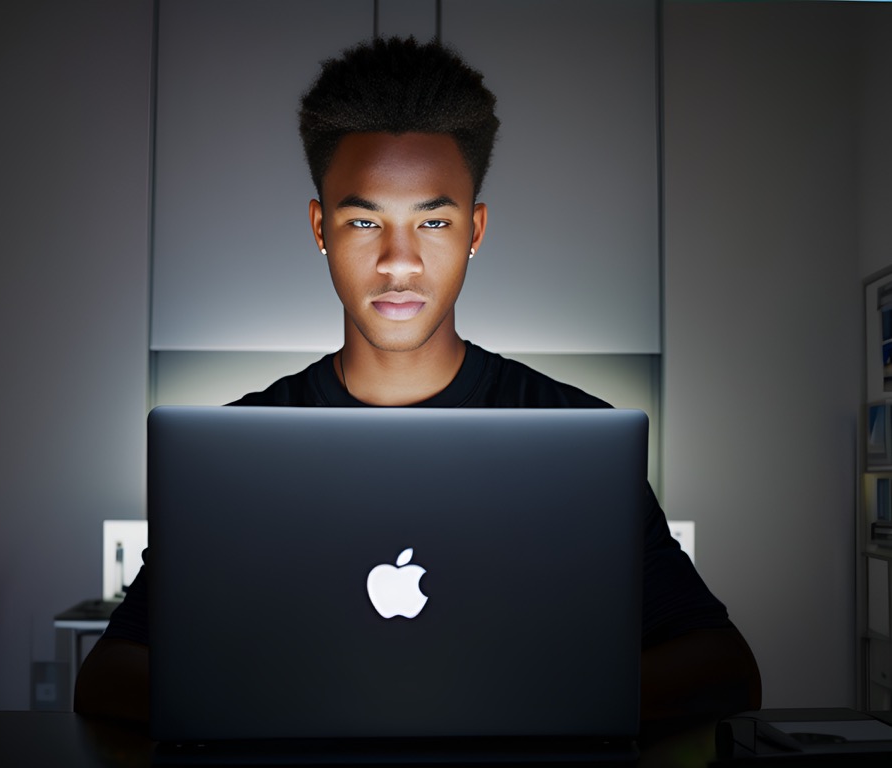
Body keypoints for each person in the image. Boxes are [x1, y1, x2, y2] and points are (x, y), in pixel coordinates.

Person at [75, 36, 760, 729]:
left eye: (433, 220)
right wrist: (341, 702)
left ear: (474, 231)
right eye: (364, 219)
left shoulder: (571, 435)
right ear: (320, 228)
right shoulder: (230, 455)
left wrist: (480, 704)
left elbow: (722, 669)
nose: (397, 262)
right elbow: (109, 678)